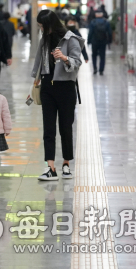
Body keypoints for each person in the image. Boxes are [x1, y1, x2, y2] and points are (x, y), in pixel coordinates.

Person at [31, 10, 84, 181]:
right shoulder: (44, 39)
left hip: (66, 88)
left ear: (50, 24)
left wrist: (65, 57)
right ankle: (51, 168)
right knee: (48, 129)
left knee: (65, 128)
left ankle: (66, 164)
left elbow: (78, 62)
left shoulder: (71, 39)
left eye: (42, 25)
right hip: (47, 87)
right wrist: (37, 78)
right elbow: (39, 59)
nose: (40, 28)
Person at [87, 11, 112, 75]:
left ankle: (95, 68)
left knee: (94, 55)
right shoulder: (106, 22)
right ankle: (101, 70)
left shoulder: (93, 22)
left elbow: (90, 33)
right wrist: (109, 41)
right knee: (102, 56)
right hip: (103, 41)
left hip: (94, 41)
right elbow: (109, 33)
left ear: (95, 15)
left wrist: (88, 41)